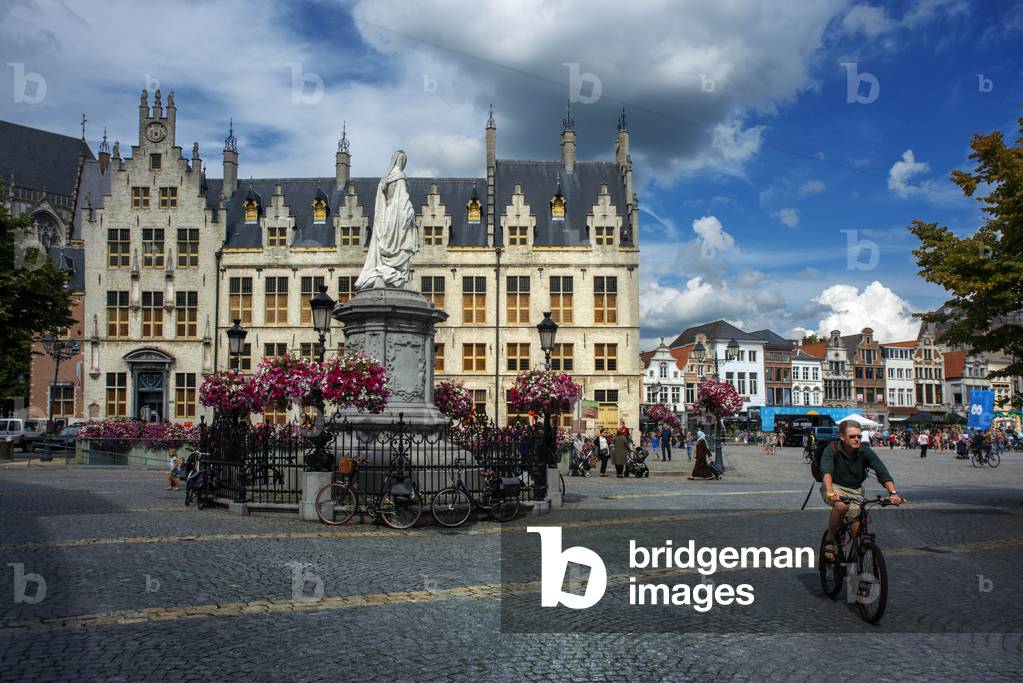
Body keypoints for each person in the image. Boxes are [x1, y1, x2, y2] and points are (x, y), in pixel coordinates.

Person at [820, 422, 903, 561]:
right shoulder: (832, 449)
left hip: (855, 490)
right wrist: (830, 492)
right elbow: (826, 472)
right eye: (852, 436)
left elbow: (882, 472)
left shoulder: (864, 451)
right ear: (842, 437)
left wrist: (893, 493)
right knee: (841, 506)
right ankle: (830, 540)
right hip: (834, 486)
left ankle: (855, 571)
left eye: (859, 436)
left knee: (857, 536)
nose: (857, 439)